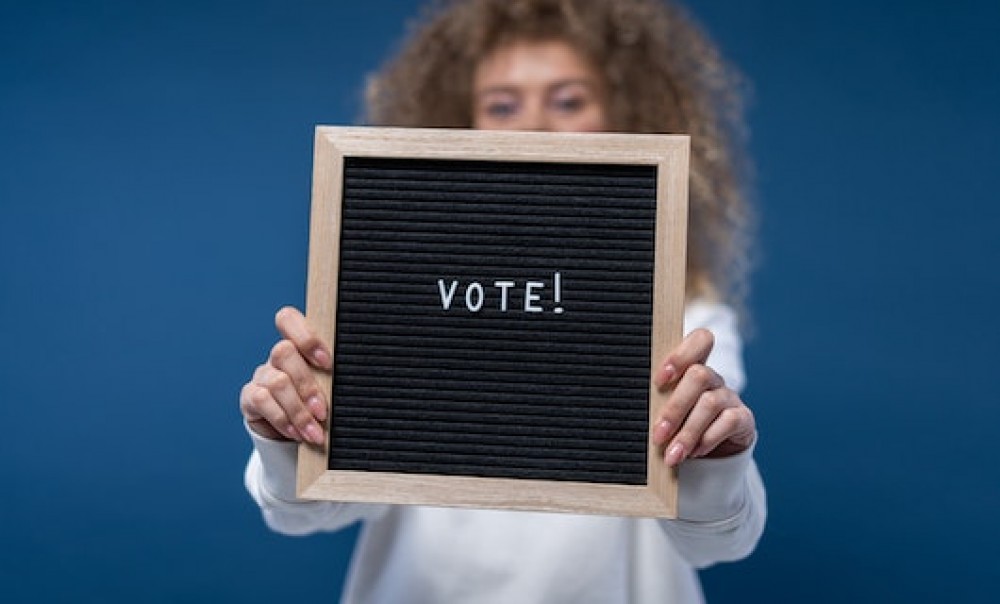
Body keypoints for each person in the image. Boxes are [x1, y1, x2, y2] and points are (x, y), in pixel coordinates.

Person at [240, 0, 766, 602]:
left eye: (569, 100)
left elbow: (718, 541)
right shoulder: (396, 291)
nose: (535, 124)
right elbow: (306, 514)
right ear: (462, 120)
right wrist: (290, 435)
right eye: (501, 103)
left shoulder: (687, 314)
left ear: (624, 110)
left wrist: (713, 459)